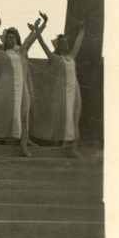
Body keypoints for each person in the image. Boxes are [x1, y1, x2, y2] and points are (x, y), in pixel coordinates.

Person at [0, 13, 47, 157]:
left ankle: (23, 148)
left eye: (13, 37)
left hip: (23, 89)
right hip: (8, 89)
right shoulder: (1, 53)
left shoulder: (21, 51)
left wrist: (41, 24)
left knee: (24, 117)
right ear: (5, 40)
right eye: (8, 38)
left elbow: (31, 38)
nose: (11, 39)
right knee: (7, 115)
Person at [32, 27, 86, 157]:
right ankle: (62, 146)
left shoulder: (71, 56)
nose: (65, 45)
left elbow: (78, 44)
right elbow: (43, 45)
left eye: (66, 42)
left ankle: (71, 148)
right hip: (61, 92)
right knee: (62, 117)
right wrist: (37, 33)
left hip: (74, 92)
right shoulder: (54, 58)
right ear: (58, 45)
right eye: (62, 43)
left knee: (73, 117)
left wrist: (82, 31)